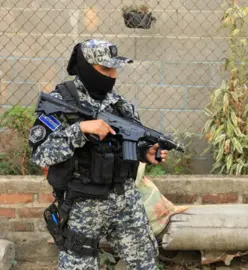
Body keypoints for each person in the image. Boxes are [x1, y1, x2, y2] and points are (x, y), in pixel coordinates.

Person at [29, 39, 167, 270]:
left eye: (115, 68)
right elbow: (41, 155)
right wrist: (80, 130)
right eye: (105, 69)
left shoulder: (121, 105)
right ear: (84, 66)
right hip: (83, 205)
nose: (112, 75)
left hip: (125, 201)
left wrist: (145, 152)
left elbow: (126, 144)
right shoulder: (60, 102)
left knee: (145, 263)